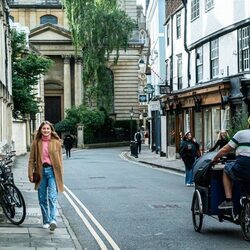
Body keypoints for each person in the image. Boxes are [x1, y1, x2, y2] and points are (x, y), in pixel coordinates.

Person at [28, 121, 64, 231]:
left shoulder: (56, 142)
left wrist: (60, 174)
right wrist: (30, 173)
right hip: (40, 172)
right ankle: (46, 220)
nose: (46, 130)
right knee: (42, 198)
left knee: (52, 197)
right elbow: (31, 159)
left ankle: (53, 220)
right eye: (44, 129)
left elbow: (60, 160)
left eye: (48, 128)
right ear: (41, 130)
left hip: (52, 172)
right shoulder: (36, 142)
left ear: (51, 130)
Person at [212, 118, 250, 209]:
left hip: (243, 164)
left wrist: (216, 157)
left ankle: (229, 200)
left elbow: (225, 150)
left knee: (226, 169)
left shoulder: (241, 134)